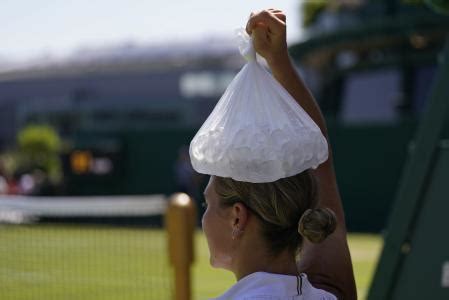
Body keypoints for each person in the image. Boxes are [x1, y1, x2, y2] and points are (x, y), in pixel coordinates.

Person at [201, 9, 357, 300]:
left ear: (237, 218)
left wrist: (276, 60)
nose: (204, 218)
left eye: (206, 204)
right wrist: (278, 60)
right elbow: (319, 161)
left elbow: (319, 161)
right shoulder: (329, 294)